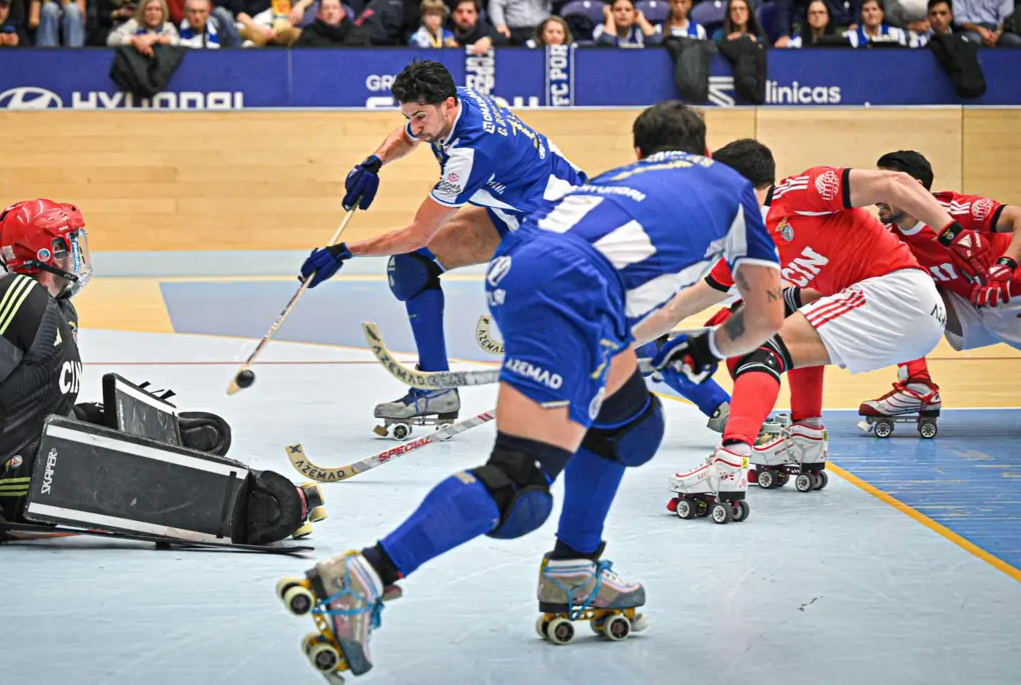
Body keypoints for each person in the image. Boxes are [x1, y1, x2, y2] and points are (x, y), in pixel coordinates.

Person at [276, 102, 786, 681]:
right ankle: (366, 571)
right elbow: (765, 317)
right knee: (519, 480)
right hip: (574, 289)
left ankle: (575, 566)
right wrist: (706, 351)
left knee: (629, 423)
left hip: (520, 270)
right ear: (708, 154)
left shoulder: (620, 178)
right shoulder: (735, 188)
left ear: (641, 152)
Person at [0, 199, 318, 548]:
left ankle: (166, 451)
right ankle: (256, 507)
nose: (78, 254)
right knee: (145, 475)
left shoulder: (59, 310)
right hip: (15, 482)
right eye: (69, 245)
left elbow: (25, 401)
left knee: (119, 425)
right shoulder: (16, 295)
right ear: (47, 253)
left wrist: (90, 417)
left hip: (37, 453)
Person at [635, 140, 995, 510]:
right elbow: (680, 307)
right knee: (788, 327)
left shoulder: (800, 191)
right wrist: (619, 339)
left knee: (761, 349)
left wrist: (953, 233)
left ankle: (729, 461)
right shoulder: (746, 242)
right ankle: (805, 435)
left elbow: (896, 183)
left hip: (898, 292)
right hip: (902, 314)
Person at [297, 60, 585, 433]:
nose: (415, 126)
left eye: (421, 117)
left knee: (613, 339)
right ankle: (436, 389)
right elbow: (407, 135)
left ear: (447, 106)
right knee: (413, 266)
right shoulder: (456, 99)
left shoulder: (470, 154)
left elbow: (418, 232)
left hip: (562, 226)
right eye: (409, 116)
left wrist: (342, 251)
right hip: (520, 211)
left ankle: (678, 366)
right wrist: (373, 163)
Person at [859, 150, 1021, 425]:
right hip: (975, 308)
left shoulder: (956, 210)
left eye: (884, 186)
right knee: (886, 293)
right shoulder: (890, 240)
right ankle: (917, 385)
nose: (875, 196)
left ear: (914, 188)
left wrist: (1007, 263)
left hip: (1013, 293)